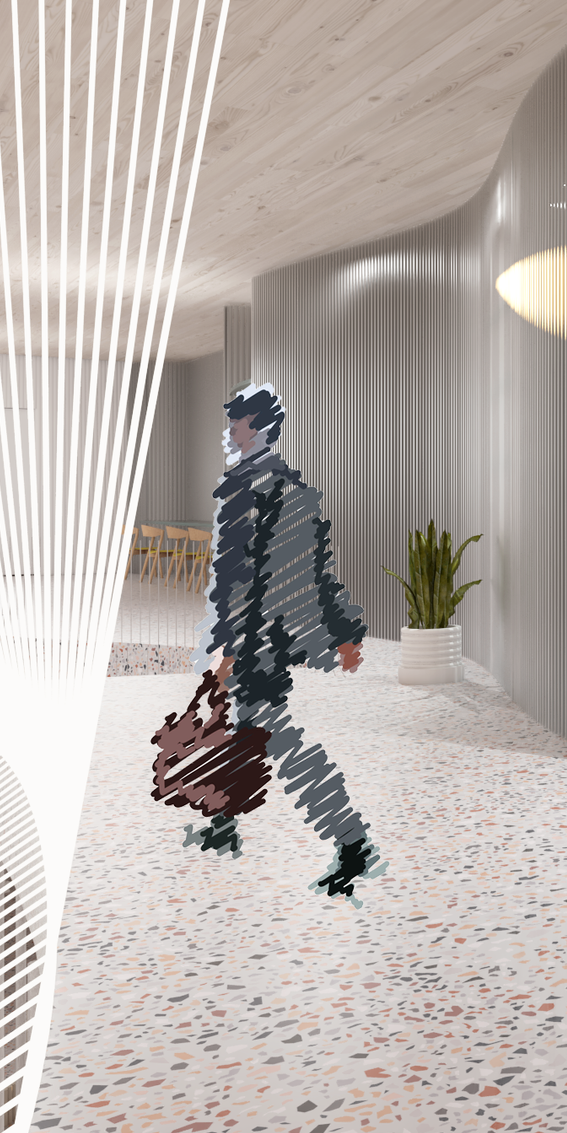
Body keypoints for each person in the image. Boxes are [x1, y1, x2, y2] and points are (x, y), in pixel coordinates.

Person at [185, 382, 385, 902]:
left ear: (255, 427)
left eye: (235, 423)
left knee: (275, 736)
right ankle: (224, 821)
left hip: (254, 638)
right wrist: (344, 631)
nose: (229, 431)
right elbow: (319, 569)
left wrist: (228, 643)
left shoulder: (244, 488)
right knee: (246, 725)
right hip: (277, 633)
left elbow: (237, 574)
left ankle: (350, 839)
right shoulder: (294, 487)